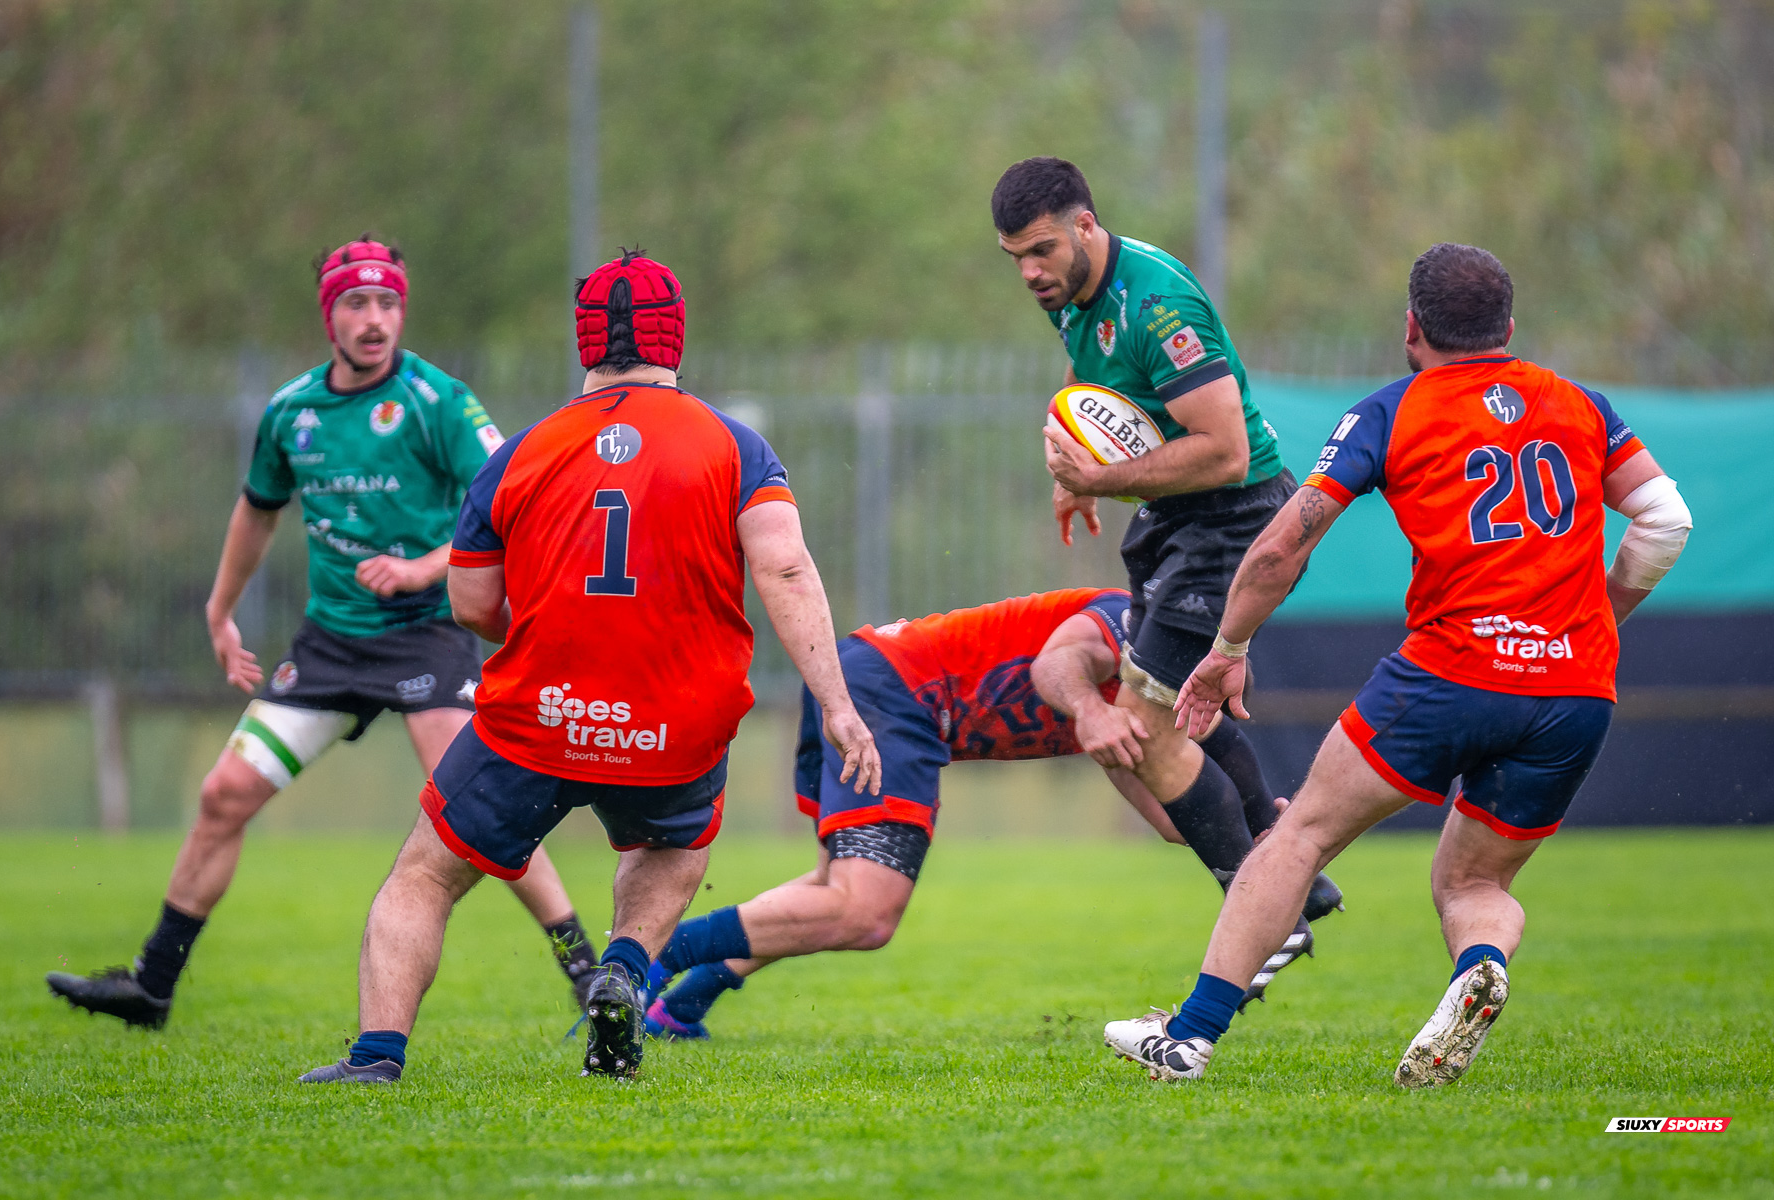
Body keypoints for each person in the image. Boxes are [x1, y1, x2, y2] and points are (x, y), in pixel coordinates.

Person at [1103, 243, 1692, 1086]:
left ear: (1412, 327)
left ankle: (1189, 1038)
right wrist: (1596, 617)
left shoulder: (1392, 411)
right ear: (1510, 328)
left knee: (1299, 836)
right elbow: (1666, 521)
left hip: (1451, 674)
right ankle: (1476, 969)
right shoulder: (1581, 405)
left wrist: (1226, 649)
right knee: (1473, 881)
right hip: (1573, 688)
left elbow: (1281, 548)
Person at [297, 250, 880, 1084]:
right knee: (670, 851)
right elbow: (784, 569)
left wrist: (547, 633)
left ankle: (376, 1057)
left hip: (537, 716)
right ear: (674, 335)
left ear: (585, 343)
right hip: (674, 722)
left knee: (425, 874)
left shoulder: (521, 453)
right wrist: (835, 700)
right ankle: (626, 971)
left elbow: (468, 604)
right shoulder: (736, 448)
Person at [47, 237, 602, 1030]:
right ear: (329, 315)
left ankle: (583, 969)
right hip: (332, 644)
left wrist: (422, 570)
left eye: (388, 304)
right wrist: (219, 607)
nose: (374, 320)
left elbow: (510, 506)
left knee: (476, 810)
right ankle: (152, 985)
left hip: (426, 634)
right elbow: (256, 510)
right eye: (356, 303)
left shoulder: (438, 402)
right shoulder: (292, 412)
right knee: (224, 794)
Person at [642, 588, 1338, 1041]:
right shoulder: (1129, 621)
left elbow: (1169, 816)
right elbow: (1055, 666)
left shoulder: (1142, 710)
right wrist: (1091, 709)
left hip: (880, 680)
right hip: (893, 690)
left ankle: (681, 1003)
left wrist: (1270, 853)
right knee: (865, 912)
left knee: (832, 896)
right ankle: (645, 958)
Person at [990, 156, 1339, 932]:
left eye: (1042, 249)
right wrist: (1079, 477)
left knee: (1143, 729)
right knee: (1176, 710)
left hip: (1235, 515)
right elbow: (1108, 403)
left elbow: (1226, 452)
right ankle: (1293, 879)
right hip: (1178, 517)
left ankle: (1260, 907)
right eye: (1016, 258)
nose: (1030, 273)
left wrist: (1105, 479)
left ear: (1086, 224)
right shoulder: (1069, 296)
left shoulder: (1156, 305)